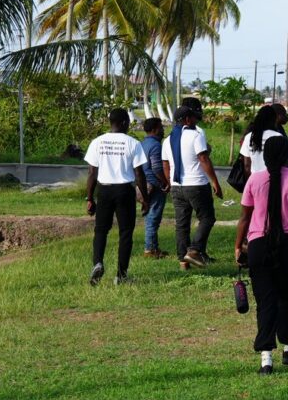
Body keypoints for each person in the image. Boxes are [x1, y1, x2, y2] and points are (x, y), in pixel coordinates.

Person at [234, 136, 288, 375]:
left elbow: (245, 218)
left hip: (258, 246)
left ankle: (266, 359)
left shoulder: (254, 181)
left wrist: (238, 246)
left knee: (265, 301)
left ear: (265, 157)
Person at [84, 108, 150, 285]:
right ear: (124, 122)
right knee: (125, 233)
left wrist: (89, 198)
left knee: (100, 230)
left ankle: (98, 263)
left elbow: (92, 173)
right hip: (124, 191)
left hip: (104, 190)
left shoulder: (97, 142)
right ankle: (121, 275)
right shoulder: (132, 143)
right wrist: (145, 198)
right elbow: (139, 174)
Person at [163, 105, 224, 269]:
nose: (196, 121)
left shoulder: (168, 140)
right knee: (207, 218)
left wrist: (170, 182)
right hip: (196, 184)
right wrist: (215, 182)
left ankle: (183, 260)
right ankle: (195, 250)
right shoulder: (196, 135)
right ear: (187, 119)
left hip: (177, 186)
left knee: (182, 224)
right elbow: (203, 158)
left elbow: (165, 164)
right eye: (194, 118)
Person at [141, 117, 170, 258]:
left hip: (143, 185)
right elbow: (157, 168)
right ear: (154, 129)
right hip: (154, 185)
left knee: (149, 216)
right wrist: (165, 182)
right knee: (153, 217)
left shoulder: (142, 144)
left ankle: (153, 247)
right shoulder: (156, 146)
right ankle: (150, 249)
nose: (163, 130)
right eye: (161, 127)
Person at [240, 105, 284, 178]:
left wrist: (251, 180)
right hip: (274, 180)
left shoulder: (249, 137)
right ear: (274, 120)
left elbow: (247, 165)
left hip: (255, 179)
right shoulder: (279, 136)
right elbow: (283, 163)